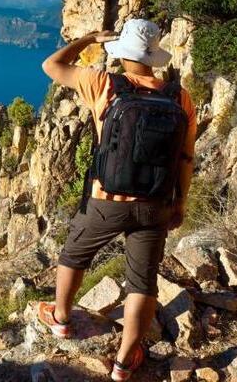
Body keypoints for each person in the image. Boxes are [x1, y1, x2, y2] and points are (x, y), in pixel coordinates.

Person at [37, 19, 197, 382]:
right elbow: (186, 157)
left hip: (106, 201)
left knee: (74, 254)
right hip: (156, 204)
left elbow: (51, 65)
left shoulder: (104, 84)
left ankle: (61, 318)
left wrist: (89, 39)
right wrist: (179, 204)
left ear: (122, 51)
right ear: (154, 57)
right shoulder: (180, 97)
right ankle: (125, 362)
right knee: (143, 281)